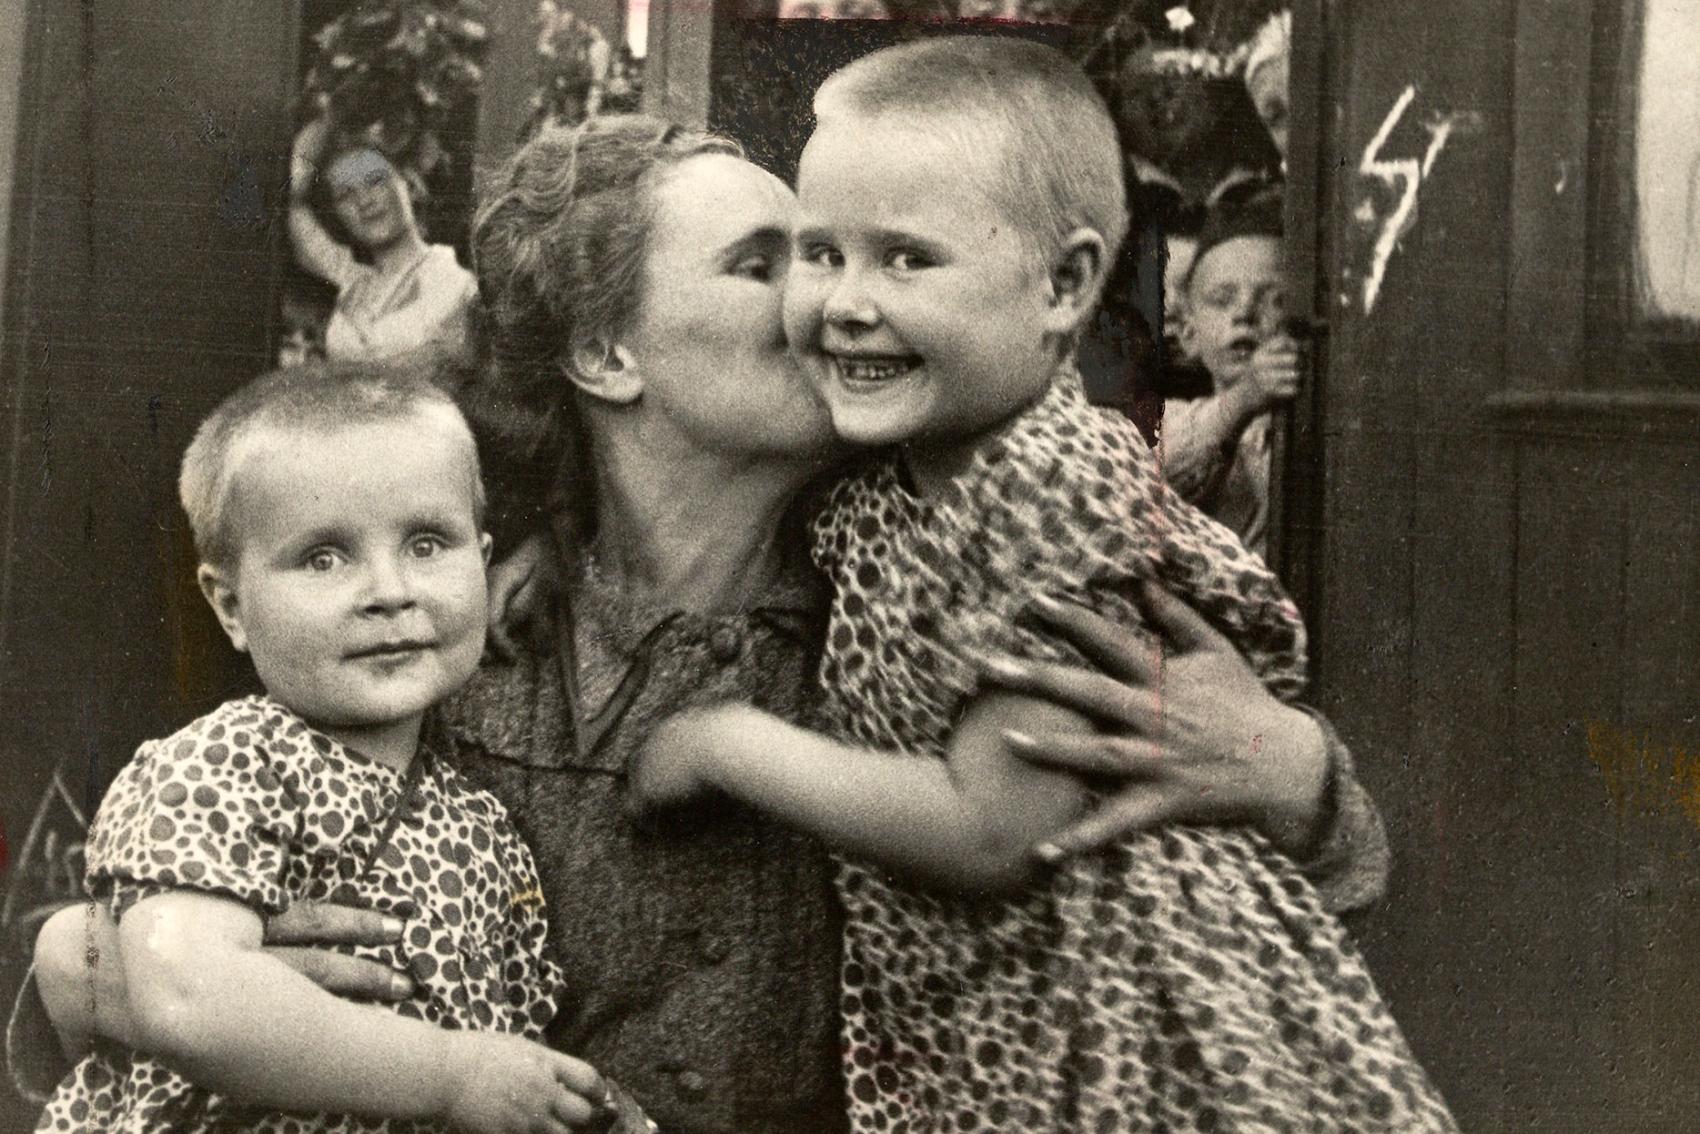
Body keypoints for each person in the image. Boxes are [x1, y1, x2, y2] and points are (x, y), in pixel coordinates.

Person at [16, 115, 1389, 1134]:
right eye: (765, 261)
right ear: (608, 354)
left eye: (840, 252)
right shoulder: (449, 632)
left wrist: (1293, 772)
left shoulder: (946, 595)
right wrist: (114, 969)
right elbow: (155, 904)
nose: (825, 297)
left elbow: (1272, 907)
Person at [630, 40, 1455, 1131]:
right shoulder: (892, 470)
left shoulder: (1049, 498)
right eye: (816, 254)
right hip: (1010, 1018)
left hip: (1130, 1033)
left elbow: (989, 832)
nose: (840, 302)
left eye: (905, 260)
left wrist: (721, 745)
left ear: (1062, 286)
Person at [32, 364, 638, 1134]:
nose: (390, 590)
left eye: (427, 543)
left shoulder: (485, 827)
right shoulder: (223, 767)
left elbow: (514, 1055)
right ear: (230, 605)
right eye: (324, 557)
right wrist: (453, 1076)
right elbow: (185, 995)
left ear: (483, 564)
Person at [1159, 189, 1297, 557]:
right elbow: (1167, 472)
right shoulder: (1175, 419)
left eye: (1274, 299)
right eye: (1223, 299)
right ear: (1188, 333)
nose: (1245, 313)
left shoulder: (1307, 430)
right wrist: (1245, 398)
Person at [288, 118, 479, 362]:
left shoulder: (452, 272)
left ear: (409, 186)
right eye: (345, 195)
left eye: (375, 181)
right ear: (338, 216)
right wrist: (330, 117)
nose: (364, 201)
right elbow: (295, 203)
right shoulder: (352, 278)